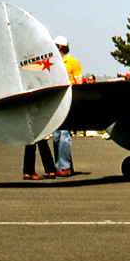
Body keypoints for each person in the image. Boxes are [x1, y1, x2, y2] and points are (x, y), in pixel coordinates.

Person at [52, 36, 82, 177]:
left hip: (69, 102)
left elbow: (79, 84)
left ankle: (65, 167)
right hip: (57, 102)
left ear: (59, 47)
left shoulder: (73, 63)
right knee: (56, 136)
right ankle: (62, 165)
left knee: (64, 136)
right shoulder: (52, 63)